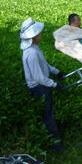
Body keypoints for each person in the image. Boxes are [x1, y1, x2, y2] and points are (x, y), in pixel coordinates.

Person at [20, 17, 65, 152]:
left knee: (48, 113)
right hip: (39, 88)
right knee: (48, 116)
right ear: (33, 37)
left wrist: (56, 72)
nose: (41, 35)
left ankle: (52, 142)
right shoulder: (31, 53)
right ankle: (56, 145)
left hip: (42, 86)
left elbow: (44, 64)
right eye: (39, 34)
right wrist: (54, 84)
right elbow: (39, 77)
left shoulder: (35, 48)